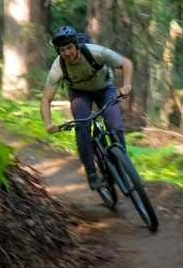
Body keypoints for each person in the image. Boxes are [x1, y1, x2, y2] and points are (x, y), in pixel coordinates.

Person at [40, 25, 133, 190]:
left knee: (115, 126)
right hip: (80, 94)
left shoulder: (95, 52)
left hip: (105, 89)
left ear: (76, 45)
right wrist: (48, 123)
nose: (67, 53)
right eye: (62, 50)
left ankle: (122, 163)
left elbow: (126, 63)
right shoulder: (58, 67)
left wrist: (126, 85)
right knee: (82, 127)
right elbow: (46, 99)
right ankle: (91, 173)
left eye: (69, 47)